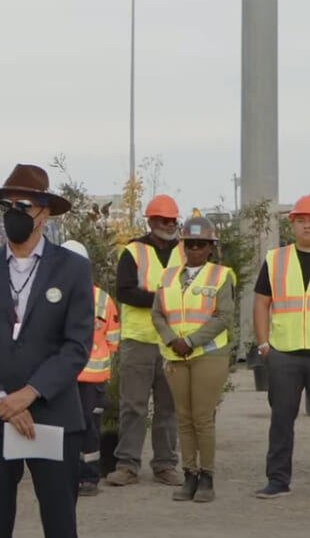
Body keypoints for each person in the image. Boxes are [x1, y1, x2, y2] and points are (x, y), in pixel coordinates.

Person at [0, 163, 93, 538]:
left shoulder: (73, 270)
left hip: (52, 414)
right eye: (7, 206)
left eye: (24, 206)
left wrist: (28, 394)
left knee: (60, 522)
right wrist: (1, 400)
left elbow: (77, 346)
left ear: (44, 213)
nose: (13, 213)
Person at [252, 194, 310, 501]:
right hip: (284, 353)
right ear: (293, 224)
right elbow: (261, 303)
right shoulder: (276, 259)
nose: (306, 226)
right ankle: (277, 480)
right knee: (281, 420)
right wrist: (264, 345)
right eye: (301, 220)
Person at [149, 215, 235, 503]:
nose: (195, 249)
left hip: (208, 354)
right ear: (182, 245)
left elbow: (224, 316)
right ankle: (190, 475)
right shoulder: (167, 276)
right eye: (190, 243)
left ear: (211, 247)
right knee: (183, 418)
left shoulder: (221, 276)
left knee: (202, 418)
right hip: (175, 354)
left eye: (201, 244)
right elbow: (157, 313)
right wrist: (171, 339)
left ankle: (207, 477)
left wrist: (190, 341)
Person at [107, 194, 186, 487]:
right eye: (163, 220)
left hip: (173, 341)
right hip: (139, 340)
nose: (169, 224)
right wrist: (162, 300)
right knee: (133, 406)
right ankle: (127, 465)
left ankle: (165, 465)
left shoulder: (185, 252)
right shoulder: (133, 252)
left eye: (172, 220)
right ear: (151, 222)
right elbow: (125, 291)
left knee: (169, 407)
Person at [60, 240, 121, 497]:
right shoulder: (52, 296)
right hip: (62, 377)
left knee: (89, 427)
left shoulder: (102, 300)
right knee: (65, 427)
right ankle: (67, 475)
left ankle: (89, 476)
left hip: (92, 378)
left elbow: (113, 339)